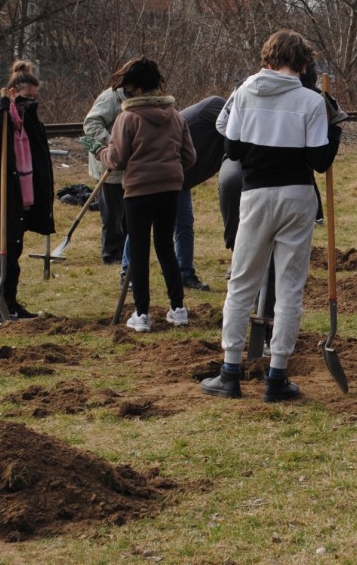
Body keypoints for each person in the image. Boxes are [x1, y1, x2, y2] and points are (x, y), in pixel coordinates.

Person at [201, 29, 343, 402]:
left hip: (256, 195)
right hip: (297, 197)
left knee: (243, 283)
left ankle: (229, 373)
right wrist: (335, 127)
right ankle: (276, 376)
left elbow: (231, 149)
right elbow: (319, 161)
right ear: (303, 63)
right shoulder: (311, 101)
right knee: (290, 287)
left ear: (268, 57)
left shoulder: (245, 92)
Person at [81, 58, 196, 332]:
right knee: (166, 248)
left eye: (129, 88)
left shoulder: (127, 118)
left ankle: (142, 314)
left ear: (137, 89)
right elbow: (189, 157)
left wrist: (99, 151)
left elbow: (117, 160)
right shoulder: (176, 116)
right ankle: (178, 309)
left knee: (139, 253)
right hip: (170, 190)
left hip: (139, 193)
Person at [0, 61, 55, 325]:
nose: (29, 102)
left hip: (22, 194)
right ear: (11, 92)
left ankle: (11, 302)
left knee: (14, 250)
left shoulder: (29, 118)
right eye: (25, 97)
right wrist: (0, 112)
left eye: (34, 98)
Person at [176, 96, 228, 291]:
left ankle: (185, 274)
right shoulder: (216, 107)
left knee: (184, 225)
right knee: (146, 225)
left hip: (183, 178)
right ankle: (127, 272)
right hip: (164, 172)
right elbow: (241, 131)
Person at [83, 76, 129, 265]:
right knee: (112, 214)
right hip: (108, 166)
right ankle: (110, 253)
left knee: (127, 214)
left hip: (127, 167)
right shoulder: (110, 98)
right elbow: (91, 124)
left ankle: (125, 251)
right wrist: (112, 144)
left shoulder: (135, 98)